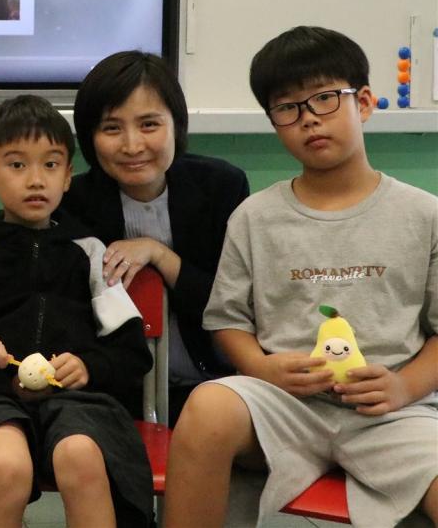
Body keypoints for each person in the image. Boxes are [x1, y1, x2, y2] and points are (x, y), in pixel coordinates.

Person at [165, 26, 438, 527]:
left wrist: (403, 387)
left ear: (365, 103)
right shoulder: (254, 217)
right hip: (283, 404)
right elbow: (227, 320)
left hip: (395, 411)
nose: (309, 118)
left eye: (325, 98)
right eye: (287, 108)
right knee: (207, 408)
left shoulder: (424, 215)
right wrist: (261, 368)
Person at [0, 51, 249, 424]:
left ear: (176, 124)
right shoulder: (76, 200)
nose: (132, 145)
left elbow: (233, 302)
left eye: (149, 124)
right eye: (112, 128)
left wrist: (159, 255)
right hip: (114, 391)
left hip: (215, 379)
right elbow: (24, 225)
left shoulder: (220, 186)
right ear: (89, 137)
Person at [0, 95, 153, 528]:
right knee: (7, 465)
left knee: (81, 456)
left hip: (79, 403)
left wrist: (89, 366)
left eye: (51, 164)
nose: (36, 180)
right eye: (17, 165)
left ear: (68, 176)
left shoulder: (90, 254)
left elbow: (131, 352)